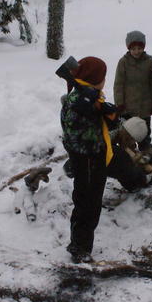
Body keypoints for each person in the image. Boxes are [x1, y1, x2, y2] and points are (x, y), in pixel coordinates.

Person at [60, 56, 118, 263]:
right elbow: (79, 128)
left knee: (85, 199)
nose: (104, 81)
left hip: (86, 157)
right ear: (95, 79)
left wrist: (105, 112)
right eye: (103, 77)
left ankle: (79, 243)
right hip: (89, 158)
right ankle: (80, 247)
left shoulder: (86, 96)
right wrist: (97, 110)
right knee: (88, 203)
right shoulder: (81, 100)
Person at [114, 31, 152, 154]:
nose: (136, 51)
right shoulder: (123, 62)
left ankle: (145, 147)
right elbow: (118, 84)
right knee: (129, 130)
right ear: (129, 48)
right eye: (133, 49)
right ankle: (129, 150)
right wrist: (120, 104)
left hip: (145, 105)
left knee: (145, 129)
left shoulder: (149, 61)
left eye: (139, 48)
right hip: (128, 106)